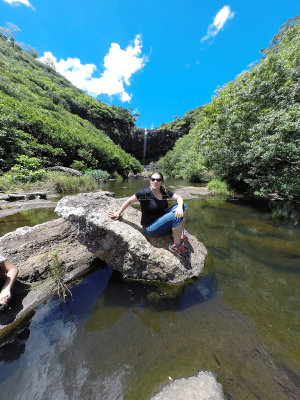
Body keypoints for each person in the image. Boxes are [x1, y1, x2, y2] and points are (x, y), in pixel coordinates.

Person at [109, 171, 189, 258]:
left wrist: (180, 207)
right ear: (150, 180)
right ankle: (176, 246)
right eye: (153, 179)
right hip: (150, 227)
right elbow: (129, 200)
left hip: (160, 218)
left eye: (158, 180)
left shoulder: (164, 192)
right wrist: (118, 213)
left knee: (183, 207)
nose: (155, 181)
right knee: (176, 216)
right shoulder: (144, 194)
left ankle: (179, 235)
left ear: (161, 182)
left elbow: (179, 198)